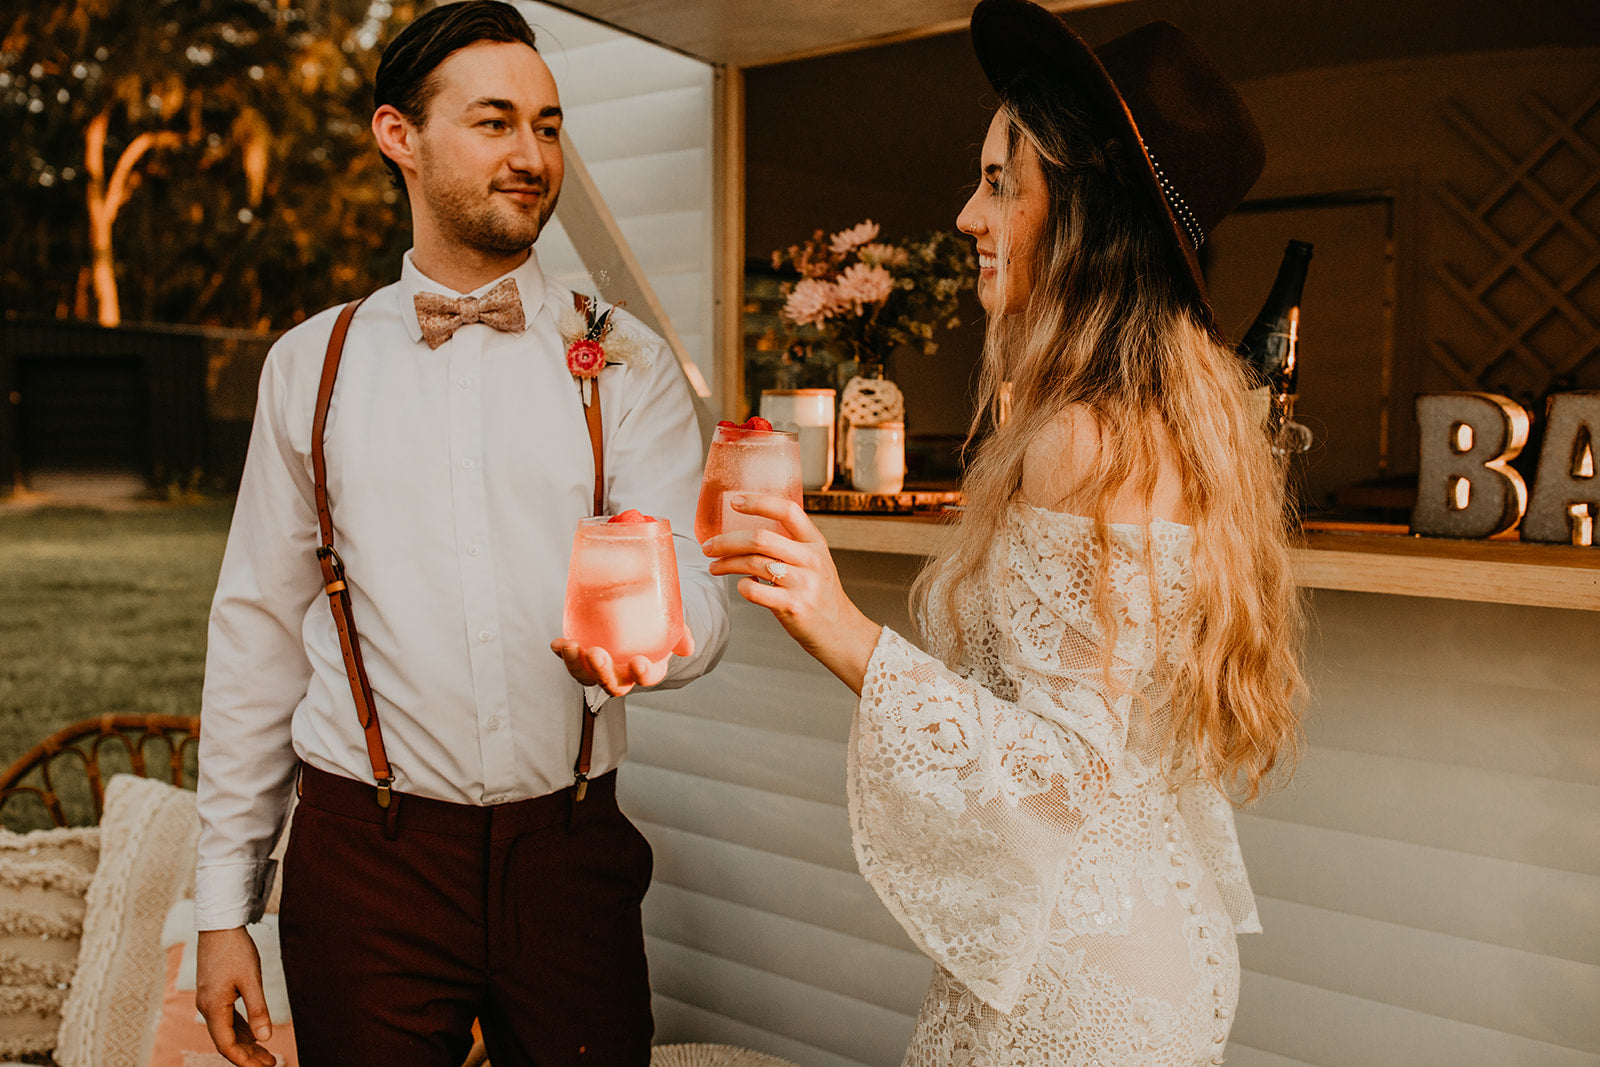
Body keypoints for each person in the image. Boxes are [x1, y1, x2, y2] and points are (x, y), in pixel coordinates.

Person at [701, 1, 1304, 1062]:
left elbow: (1062, 768)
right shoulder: (1180, 411)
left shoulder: (1082, 438)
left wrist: (833, 621)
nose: (965, 216)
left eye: (996, 182)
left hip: (1078, 979)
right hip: (1138, 930)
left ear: (1078, 211)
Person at [192, 3, 728, 1065]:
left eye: (547, 124)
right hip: (366, 859)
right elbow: (255, 633)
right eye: (494, 122)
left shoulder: (623, 360)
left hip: (569, 853)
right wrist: (222, 905)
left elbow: (697, 595)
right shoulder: (313, 364)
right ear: (400, 135)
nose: (531, 156)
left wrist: (656, 642)